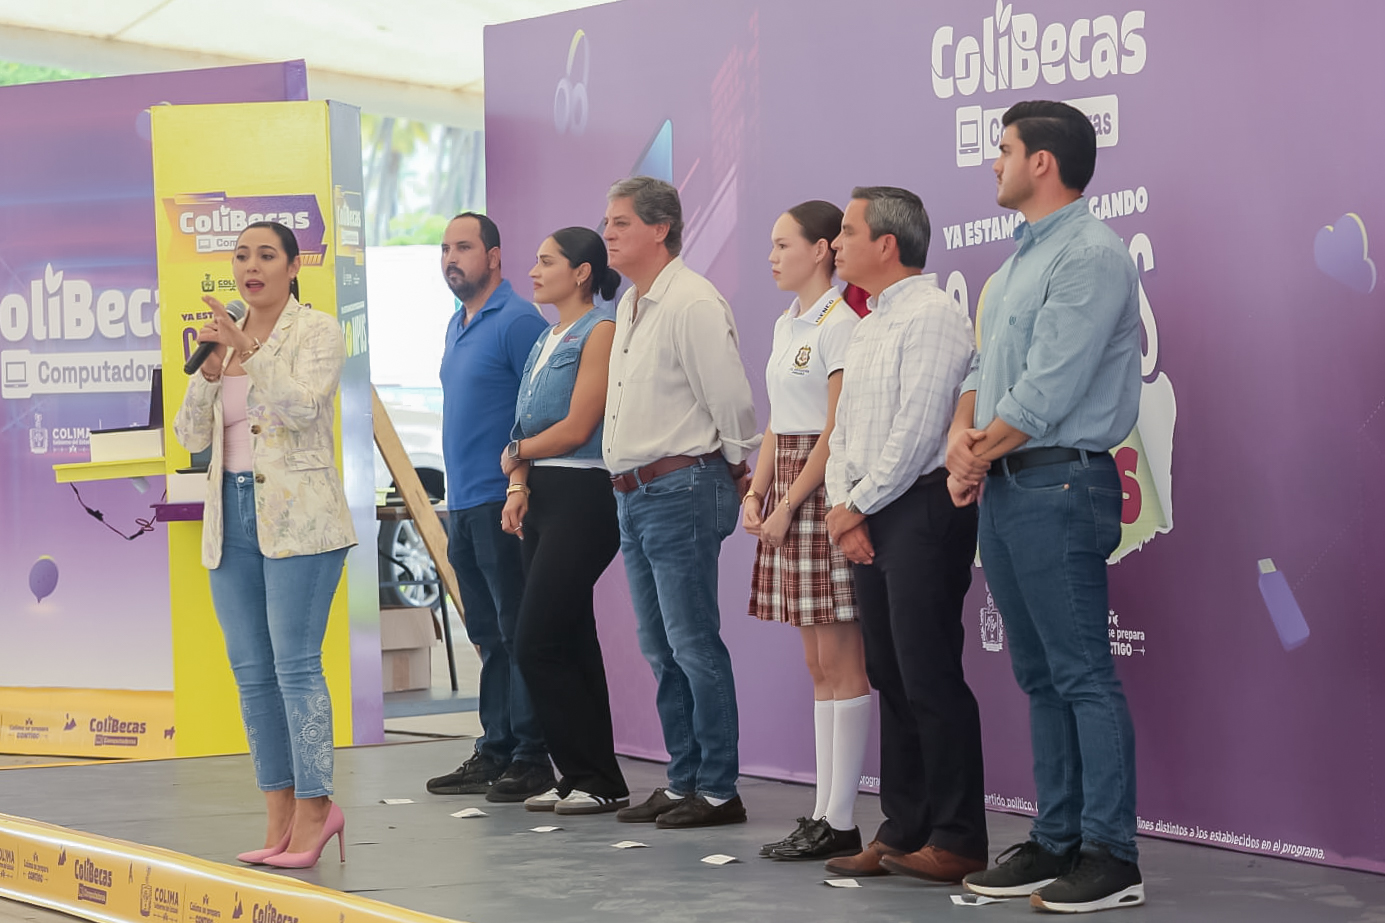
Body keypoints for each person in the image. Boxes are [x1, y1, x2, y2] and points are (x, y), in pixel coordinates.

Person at [947, 100, 1145, 913]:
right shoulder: (1015, 264)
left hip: (1060, 482)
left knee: (1081, 674)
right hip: (1009, 485)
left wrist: (977, 449)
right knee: (1037, 675)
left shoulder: (1090, 254)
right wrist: (963, 444)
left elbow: (1048, 387)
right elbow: (983, 373)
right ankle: (1055, 838)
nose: (992, 162)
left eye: (1003, 149)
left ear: (1041, 161)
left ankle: (1111, 855)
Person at [173, 221, 355, 869]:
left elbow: (303, 409)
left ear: (294, 265)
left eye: (266, 255)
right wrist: (208, 373)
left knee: (295, 666)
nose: (251, 266)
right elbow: (189, 435)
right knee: (251, 672)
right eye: (242, 255)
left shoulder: (318, 331)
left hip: (301, 519)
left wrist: (249, 348)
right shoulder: (220, 340)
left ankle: (317, 807)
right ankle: (278, 809)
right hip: (231, 517)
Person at [820, 187, 988, 883]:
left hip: (920, 509)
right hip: (870, 512)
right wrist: (843, 506)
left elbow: (919, 430)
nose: (835, 244)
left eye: (847, 231)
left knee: (927, 673)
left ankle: (958, 837)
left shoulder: (933, 314)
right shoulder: (867, 324)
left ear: (886, 244)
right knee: (889, 673)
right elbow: (843, 433)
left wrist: (854, 506)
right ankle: (902, 828)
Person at [601, 176, 761, 828]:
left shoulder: (691, 300)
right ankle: (683, 777)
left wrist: (737, 466)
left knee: (692, 642)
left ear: (660, 228)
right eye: (607, 222)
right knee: (659, 645)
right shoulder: (630, 305)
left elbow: (730, 399)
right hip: (634, 493)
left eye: (620, 222)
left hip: (680, 487)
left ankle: (718, 789)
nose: (608, 232)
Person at [743, 201, 870, 861]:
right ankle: (822, 811)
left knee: (843, 661)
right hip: (788, 488)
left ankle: (841, 818)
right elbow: (776, 420)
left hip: (824, 487)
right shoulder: (785, 321)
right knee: (815, 661)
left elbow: (833, 428)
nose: (771, 256)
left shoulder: (840, 323)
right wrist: (756, 491)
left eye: (783, 244)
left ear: (821, 249)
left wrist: (789, 500)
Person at [497, 227, 628, 815]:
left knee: (537, 641)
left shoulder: (600, 330)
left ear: (581, 273)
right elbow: (523, 424)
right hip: (543, 494)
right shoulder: (545, 337)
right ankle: (591, 776)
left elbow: (577, 427)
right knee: (572, 638)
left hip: (583, 493)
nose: (534, 270)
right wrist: (519, 483)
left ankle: (588, 773)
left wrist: (517, 455)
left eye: (546, 261)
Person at [425, 213, 555, 803]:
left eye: (464, 247)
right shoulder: (458, 323)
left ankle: (531, 755)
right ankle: (496, 747)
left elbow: (543, 410)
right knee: (486, 632)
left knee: (516, 629)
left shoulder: (518, 321)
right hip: (462, 503)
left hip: (503, 501)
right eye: (445, 248)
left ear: (495, 256)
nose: (451, 258)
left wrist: (518, 486)